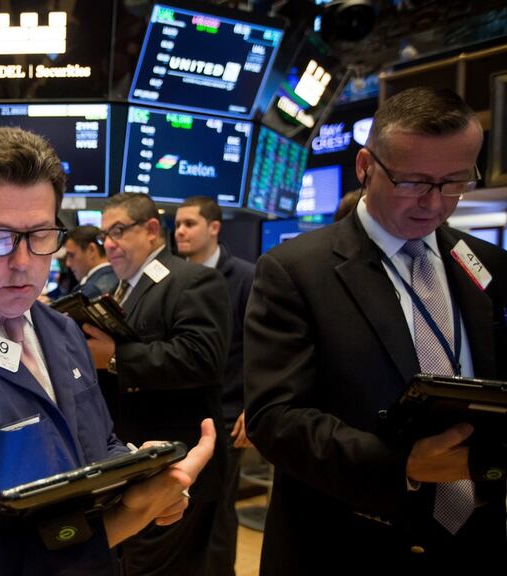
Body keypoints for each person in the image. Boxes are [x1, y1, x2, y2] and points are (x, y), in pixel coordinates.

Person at [0, 127, 216, 575]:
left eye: (41, 235)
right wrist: (129, 514)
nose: (23, 262)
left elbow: (93, 444)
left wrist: (139, 472)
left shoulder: (62, 331)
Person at [245, 87, 507, 575]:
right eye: (413, 182)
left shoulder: (485, 265)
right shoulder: (296, 270)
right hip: (348, 542)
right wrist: (399, 464)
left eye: (454, 182)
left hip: (476, 541)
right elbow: (274, 418)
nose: (434, 203)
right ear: (366, 166)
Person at [84, 192, 230, 576]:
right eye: (104, 236)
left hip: (176, 459)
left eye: (117, 231)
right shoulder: (119, 290)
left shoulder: (194, 280)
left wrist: (115, 358)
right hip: (132, 460)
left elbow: (202, 358)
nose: (109, 244)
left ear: (151, 230)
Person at [174, 195, 255, 576]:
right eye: (177, 225)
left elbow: (261, 345)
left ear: (214, 227)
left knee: (221, 509)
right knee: (187, 507)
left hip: (229, 414)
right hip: (189, 412)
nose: (181, 231)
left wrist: (252, 404)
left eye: (189, 223)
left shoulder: (245, 276)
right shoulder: (177, 276)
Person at [64, 225, 118, 299]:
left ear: (91, 250)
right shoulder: (119, 278)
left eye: (71, 255)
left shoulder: (90, 291)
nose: (68, 263)